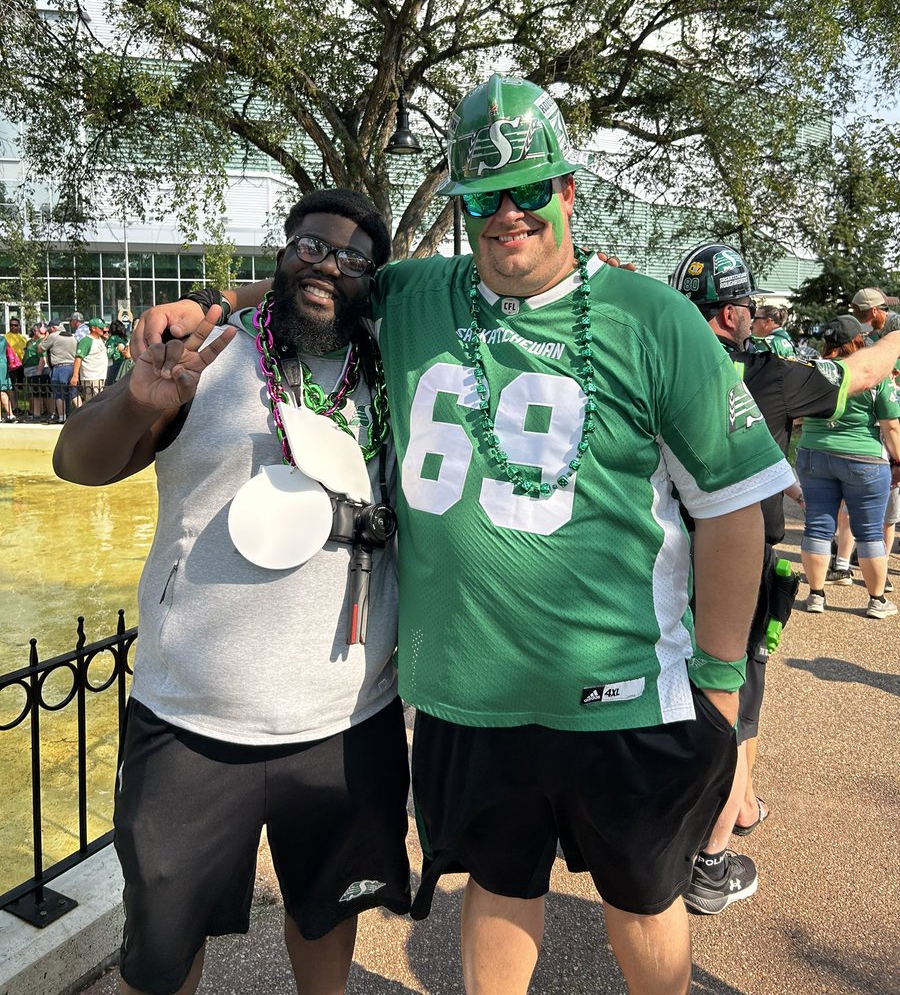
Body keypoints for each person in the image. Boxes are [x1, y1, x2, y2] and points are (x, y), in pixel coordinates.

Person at [139, 75, 796, 995]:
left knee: (644, 902)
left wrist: (722, 691)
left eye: (529, 190)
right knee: (498, 885)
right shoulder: (415, 294)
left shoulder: (657, 319)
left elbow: (731, 510)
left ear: (568, 191)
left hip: (624, 692)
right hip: (466, 696)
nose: (508, 214)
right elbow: (317, 275)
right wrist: (206, 305)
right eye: (485, 197)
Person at [53, 189, 411, 995]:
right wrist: (137, 401)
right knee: (164, 943)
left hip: (347, 721)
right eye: (312, 247)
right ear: (281, 252)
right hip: (191, 722)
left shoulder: (390, 364)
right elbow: (77, 461)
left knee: (327, 913)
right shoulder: (207, 354)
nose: (329, 267)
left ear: (375, 281)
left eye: (355, 259)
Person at [670, 243, 900, 912]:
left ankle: (734, 808)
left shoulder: (655, 362)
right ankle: (709, 863)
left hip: (654, 561)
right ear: (740, 310)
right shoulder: (769, 373)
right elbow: (864, 370)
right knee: (734, 707)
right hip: (735, 567)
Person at [797, 314, 900, 619]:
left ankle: (816, 595)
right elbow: (891, 425)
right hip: (864, 459)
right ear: (859, 341)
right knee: (869, 532)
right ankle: (876, 599)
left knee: (817, 524)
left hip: (814, 453)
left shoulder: (811, 371)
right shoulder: (872, 372)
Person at [39, 318, 78, 423]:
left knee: (58, 393)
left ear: (53, 328)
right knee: (74, 393)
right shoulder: (72, 336)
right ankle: (81, 413)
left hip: (59, 368)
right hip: (72, 367)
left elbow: (40, 349)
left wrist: (46, 337)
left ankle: (62, 417)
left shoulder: (53, 336)